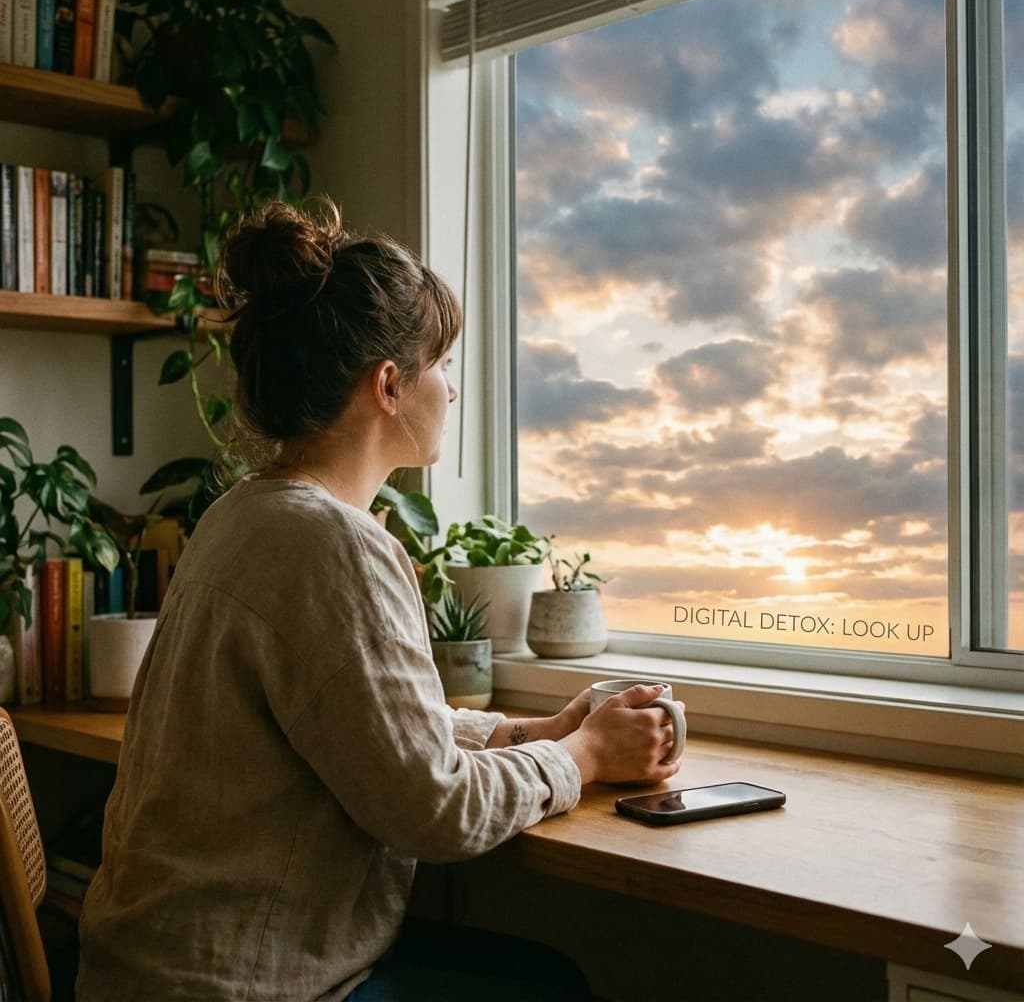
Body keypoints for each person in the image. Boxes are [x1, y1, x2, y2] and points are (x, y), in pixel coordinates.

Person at [75, 199, 682, 1002]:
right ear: (390, 386)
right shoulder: (333, 546)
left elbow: (362, 720)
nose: (455, 392)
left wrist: (524, 730)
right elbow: (433, 809)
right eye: (441, 365)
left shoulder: (246, 511)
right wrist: (587, 756)